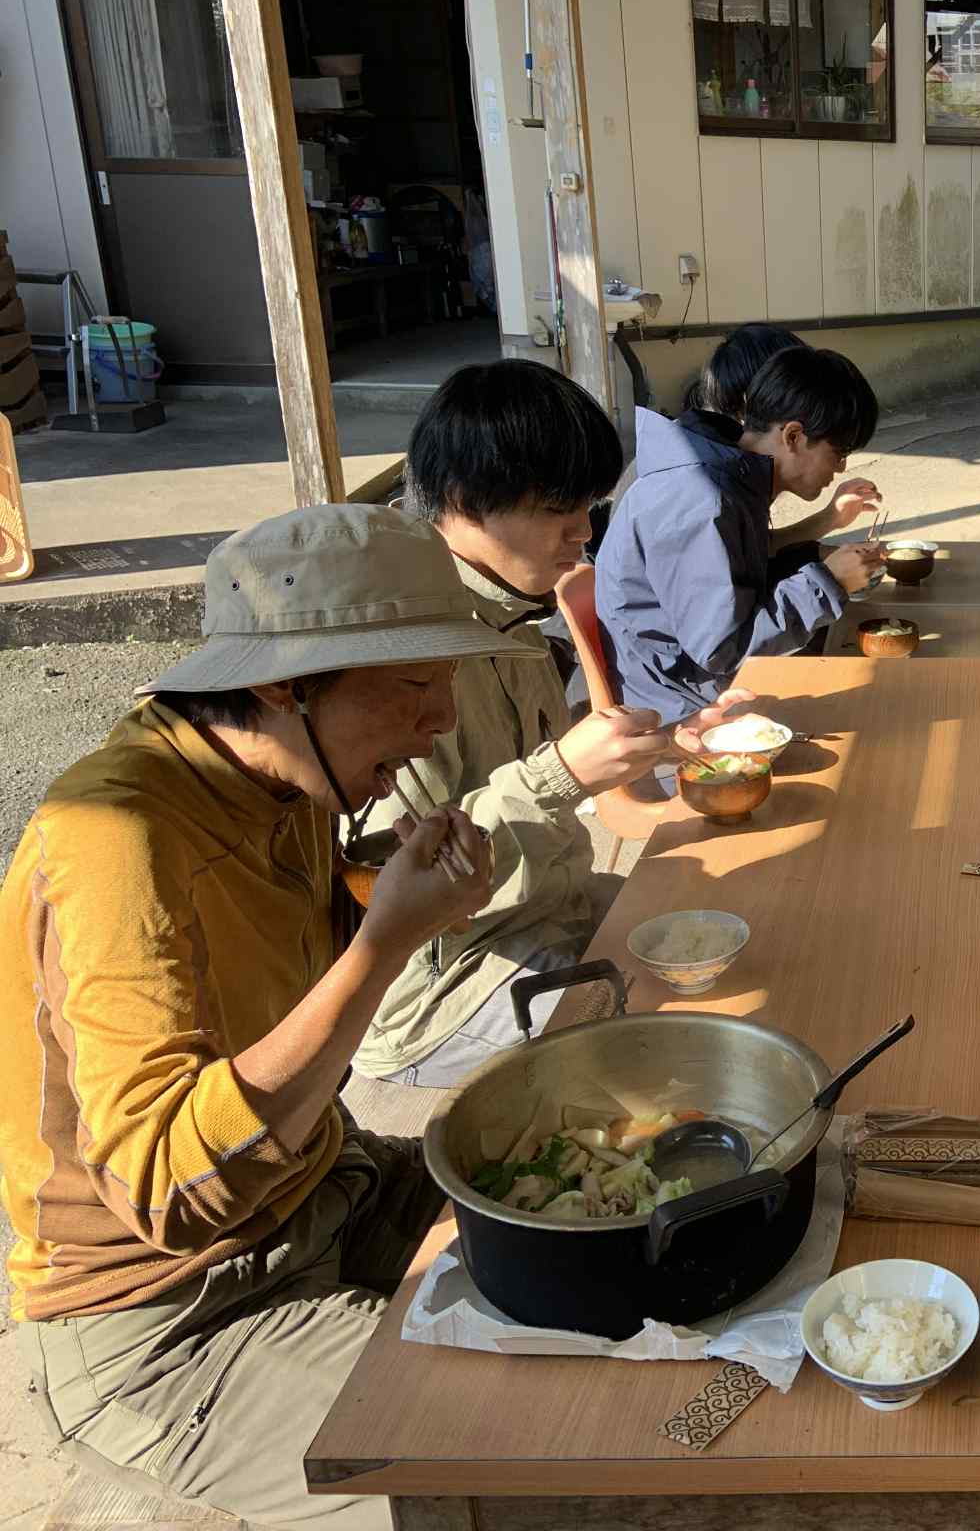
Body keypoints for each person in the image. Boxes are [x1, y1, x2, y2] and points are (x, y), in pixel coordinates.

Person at [2, 504, 513, 1528]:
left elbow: (287, 952)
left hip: (324, 1189)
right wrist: (383, 945)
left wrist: (390, 890)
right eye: (415, 685)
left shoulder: (282, 781)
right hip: (170, 1312)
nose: (442, 721)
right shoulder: (116, 838)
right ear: (284, 683)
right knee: (471, 1464)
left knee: (569, 1196)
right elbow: (169, 1190)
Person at [349, 361, 723, 1087]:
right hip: (447, 989)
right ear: (465, 500)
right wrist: (562, 773)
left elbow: (543, 754)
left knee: (721, 929)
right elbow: (402, 880)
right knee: (678, 1049)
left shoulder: (511, 610)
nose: (584, 533)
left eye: (588, 505)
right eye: (559, 509)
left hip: (552, 908)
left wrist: (667, 737)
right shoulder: (394, 654)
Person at [596, 344, 887, 720]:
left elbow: (740, 561)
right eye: (839, 452)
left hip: (690, 673)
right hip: (676, 703)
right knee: (875, 703)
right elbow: (721, 648)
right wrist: (827, 582)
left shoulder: (727, 467)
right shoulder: (702, 497)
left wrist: (821, 550)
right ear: (793, 436)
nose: (842, 467)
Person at [684, 323, 884, 553]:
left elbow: (753, 549)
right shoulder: (714, 496)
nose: (842, 467)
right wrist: (825, 572)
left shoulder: (726, 460)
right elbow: (737, 564)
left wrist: (830, 521)